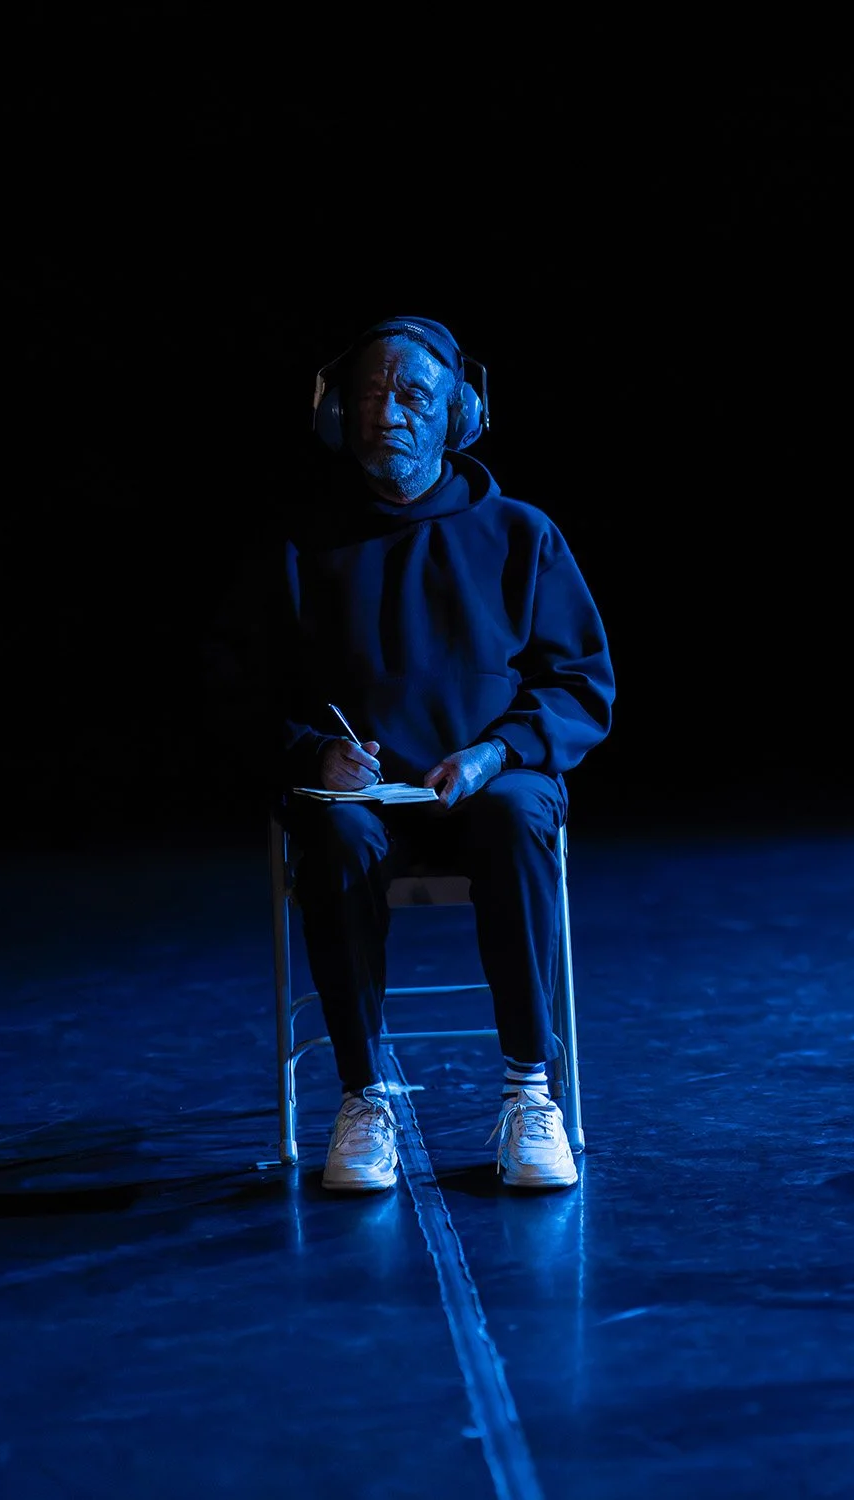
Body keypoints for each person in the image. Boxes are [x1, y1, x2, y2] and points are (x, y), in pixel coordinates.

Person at [221, 314, 615, 1193]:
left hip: (486, 788)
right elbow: (241, 694)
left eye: (411, 396)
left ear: (458, 414)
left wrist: (493, 753)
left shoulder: (519, 533)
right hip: (360, 804)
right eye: (368, 397)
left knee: (519, 814)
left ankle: (529, 1092)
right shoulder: (298, 545)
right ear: (335, 415)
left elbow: (582, 685)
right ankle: (363, 1095)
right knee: (331, 837)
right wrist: (314, 753)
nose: (388, 415)